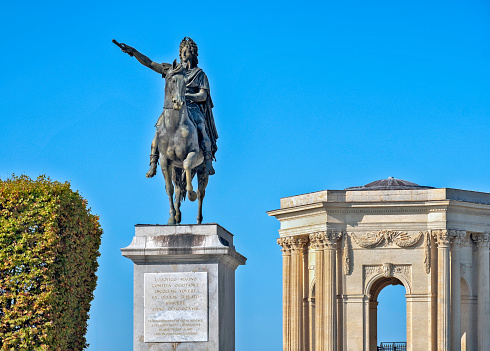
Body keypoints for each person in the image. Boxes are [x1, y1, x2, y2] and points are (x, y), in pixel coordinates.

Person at [117, 37, 218, 176]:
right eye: (182, 51)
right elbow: (151, 63)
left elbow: (203, 96)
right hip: (173, 107)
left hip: (193, 107)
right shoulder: (172, 70)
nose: (184, 54)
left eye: (187, 51)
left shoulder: (200, 74)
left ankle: (207, 159)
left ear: (193, 54)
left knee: (201, 127)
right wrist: (134, 52)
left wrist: (186, 96)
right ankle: (153, 162)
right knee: (159, 127)